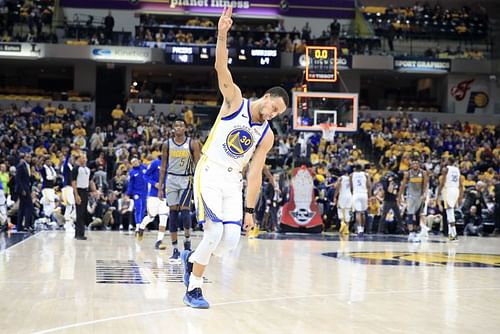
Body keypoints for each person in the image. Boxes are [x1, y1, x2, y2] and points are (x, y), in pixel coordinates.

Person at [181, 6, 289, 309]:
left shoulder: (266, 134)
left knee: (228, 243)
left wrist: (250, 210)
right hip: (210, 171)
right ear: (267, 97)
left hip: (233, 181)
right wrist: (221, 35)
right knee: (213, 232)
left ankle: (193, 260)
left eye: (278, 113)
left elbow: (254, 174)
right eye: (274, 107)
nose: (273, 114)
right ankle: (194, 288)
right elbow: (220, 69)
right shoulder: (235, 100)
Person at [158, 119, 200, 262]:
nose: (179, 127)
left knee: (185, 211)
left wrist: (199, 184)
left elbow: (198, 165)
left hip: (186, 179)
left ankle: (187, 242)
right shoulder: (167, 144)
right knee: (173, 213)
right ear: (173, 129)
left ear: (185, 128)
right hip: (171, 180)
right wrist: (160, 187)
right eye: (176, 125)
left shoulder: (192, 143)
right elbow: (163, 166)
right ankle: (175, 249)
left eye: (181, 125)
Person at [135, 155, 169, 250]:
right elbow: (145, 176)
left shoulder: (172, 164)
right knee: (151, 217)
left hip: (166, 195)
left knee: (164, 217)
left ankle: (159, 241)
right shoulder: (155, 163)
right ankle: (141, 228)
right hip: (154, 195)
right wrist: (155, 184)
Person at [398, 158, 429, 242]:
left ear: (419, 164)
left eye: (416, 163)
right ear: (411, 165)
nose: (415, 164)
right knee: (410, 214)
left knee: (419, 214)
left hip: (419, 196)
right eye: (413, 163)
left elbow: (425, 185)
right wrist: (399, 196)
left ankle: (416, 232)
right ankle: (411, 233)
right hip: (410, 196)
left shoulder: (423, 173)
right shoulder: (407, 173)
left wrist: (424, 194)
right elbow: (403, 185)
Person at [436, 157, 464, 242]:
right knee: (449, 213)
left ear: (448, 162)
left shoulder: (446, 169)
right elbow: (461, 185)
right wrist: (460, 196)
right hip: (456, 190)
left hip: (448, 190)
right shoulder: (457, 170)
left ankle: (454, 234)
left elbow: (442, 182)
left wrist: (438, 193)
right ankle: (450, 234)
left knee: (450, 212)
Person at [72, 152, 97, 240]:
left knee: (83, 213)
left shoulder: (87, 169)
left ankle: (80, 232)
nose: (85, 159)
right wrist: (76, 195)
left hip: (85, 191)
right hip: (79, 190)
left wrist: (94, 190)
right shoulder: (76, 168)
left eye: (85, 158)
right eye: (83, 158)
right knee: (79, 213)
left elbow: (90, 181)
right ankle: (78, 234)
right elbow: (73, 182)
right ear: (79, 159)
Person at [127, 158, 148, 231]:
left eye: (136, 161)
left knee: (143, 209)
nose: (135, 163)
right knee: (138, 208)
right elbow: (130, 184)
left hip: (145, 192)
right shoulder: (132, 172)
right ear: (131, 164)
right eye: (133, 162)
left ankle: (142, 225)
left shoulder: (144, 168)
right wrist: (128, 193)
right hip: (136, 193)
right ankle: (137, 225)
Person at [350, 164, 371, 237]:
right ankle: (363, 228)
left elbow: (351, 186)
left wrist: (352, 193)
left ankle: (359, 230)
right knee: (363, 212)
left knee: (358, 213)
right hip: (364, 194)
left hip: (356, 194)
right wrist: (369, 196)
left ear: (355, 168)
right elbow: (369, 185)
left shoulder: (352, 175)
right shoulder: (366, 174)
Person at [15, 153, 33, 232]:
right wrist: (22, 189)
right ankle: (26, 225)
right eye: (27, 157)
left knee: (22, 208)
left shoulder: (28, 166)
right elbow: (18, 179)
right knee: (29, 206)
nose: (29, 158)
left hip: (27, 188)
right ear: (24, 157)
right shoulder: (21, 166)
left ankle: (20, 226)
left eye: (30, 157)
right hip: (23, 189)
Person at [333, 168, 352, 235]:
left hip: (342, 196)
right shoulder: (350, 179)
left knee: (340, 210)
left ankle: (342, 223)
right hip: (350, 196)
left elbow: (336, 187)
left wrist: (335, 196)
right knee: (348, 212)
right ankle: (347, 229)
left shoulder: (341, 178)